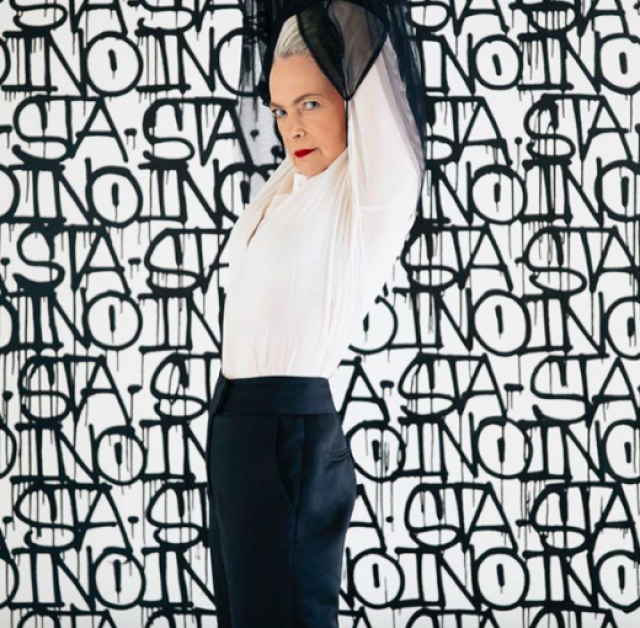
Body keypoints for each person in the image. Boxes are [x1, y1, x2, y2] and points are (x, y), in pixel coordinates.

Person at [205, 2, 426, 626]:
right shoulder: (293, 180)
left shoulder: (376, 193)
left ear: (353, 100)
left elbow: (358, 26)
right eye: (280, 110)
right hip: (236, 430)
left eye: (310, 104)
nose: (291, 128)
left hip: (286, 435)